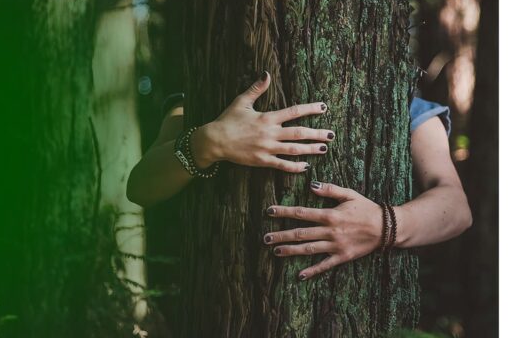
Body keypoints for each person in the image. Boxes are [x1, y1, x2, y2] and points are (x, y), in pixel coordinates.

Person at [127, 71, 472, 280]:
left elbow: (456, 207)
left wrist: (383, 225)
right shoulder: (203, 97)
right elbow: (141, 187)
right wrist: (210, 142)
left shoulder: (404, 107)